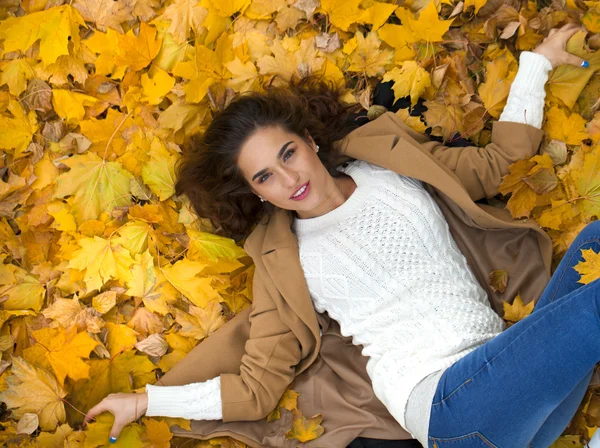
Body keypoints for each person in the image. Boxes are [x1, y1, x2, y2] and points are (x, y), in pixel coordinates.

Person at [83, 23, 595, 447]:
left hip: (522, 389)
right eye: (264, 177)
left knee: (593, 242)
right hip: (447, 407)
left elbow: (496, 165)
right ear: (256, 193)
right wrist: (148, 399)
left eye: (288, 155)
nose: (289, 180)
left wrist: (538, 64)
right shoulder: (286, 260)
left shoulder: (388, 164)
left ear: (308, 141)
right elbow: (256, 387)